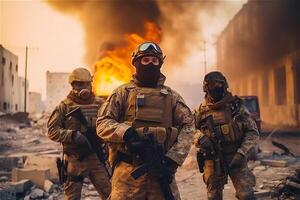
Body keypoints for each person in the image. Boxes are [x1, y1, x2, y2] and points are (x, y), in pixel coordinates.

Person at [96, 42, 195, 200]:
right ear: (136, 63)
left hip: (161, 170)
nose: (150, 64)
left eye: (155, 61)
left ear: (160, 64)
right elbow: (102, 123)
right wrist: (126, 133)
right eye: (146, 60)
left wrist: (173, 159)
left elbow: (189, 126)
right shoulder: (122, 93)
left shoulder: (172, 97)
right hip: (127, 174)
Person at [47, 67, 111, 200]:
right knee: (72, 197)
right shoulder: (64, 106)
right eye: (79, 84)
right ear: (73, 86)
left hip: (96, 158)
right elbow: (52, 131)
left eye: (86, 84)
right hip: (74, 160)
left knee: (110, 194)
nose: (84, 87)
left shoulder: (100, 104)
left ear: (91, 84)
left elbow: (110, 126)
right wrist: (73, 136)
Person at [194, 71, 259, 200]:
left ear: (225, 86)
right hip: (212, 159)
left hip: (235, 155)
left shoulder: (236, 107)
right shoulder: (200, 111)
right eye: (212, 85)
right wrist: (200, 138)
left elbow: (252, 132)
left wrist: (242, 153)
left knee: (246, 195)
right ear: (206, 88)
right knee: (213, 196)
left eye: (219, 84)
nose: (216, 88)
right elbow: (189, 130)